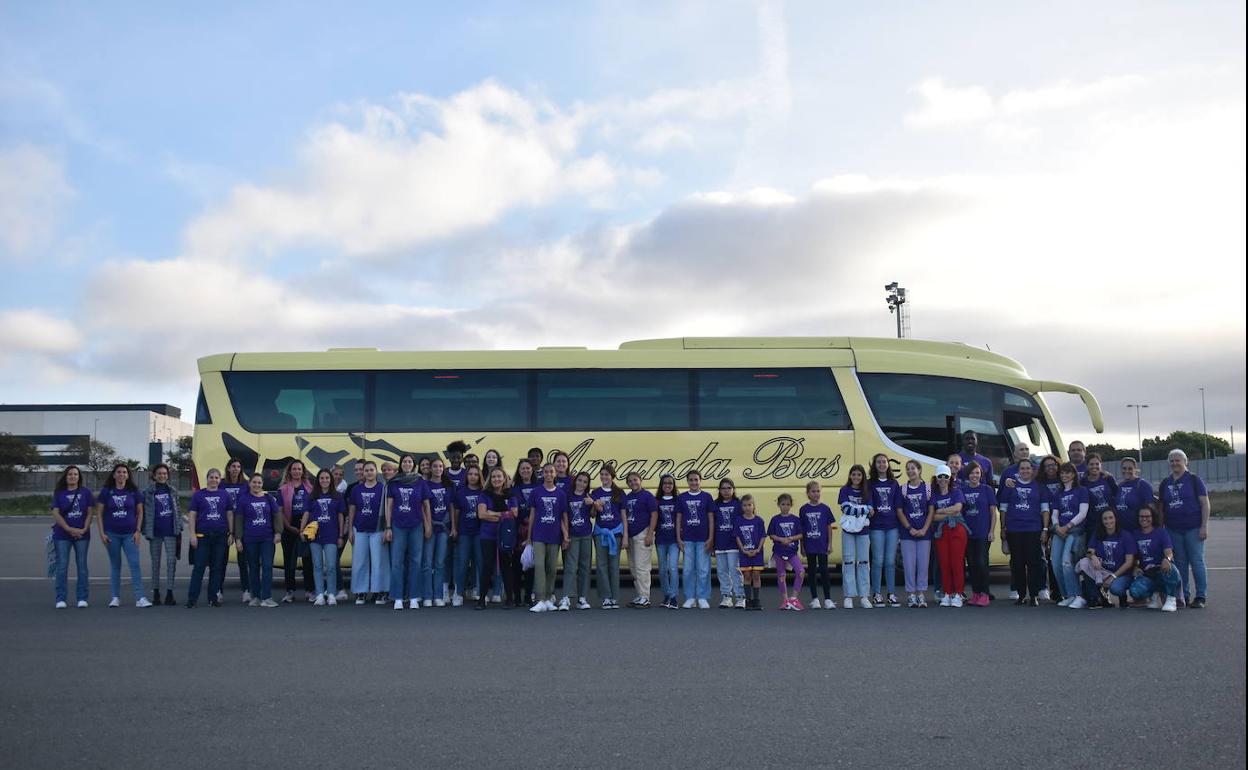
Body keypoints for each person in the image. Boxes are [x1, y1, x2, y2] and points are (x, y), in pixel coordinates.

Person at [1158, 449, 1210, 608]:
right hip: (1173, 529)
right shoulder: (1165, 483)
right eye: (1172, 460)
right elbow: (1161, 508)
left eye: (1178, 460)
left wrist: (1204, 526)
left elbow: (1205, 504)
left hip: (1193, 528)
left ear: (1185, 462)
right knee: (1180, 564)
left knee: (1197, 562)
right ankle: (1183, 596)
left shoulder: (1194, 480)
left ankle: (1201, 596)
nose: (1174, 463)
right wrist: (1161, 529)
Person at [95, 463, 150, 608]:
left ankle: (140, 598)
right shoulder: (107, 492)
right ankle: (115, 597)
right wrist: (102, 533)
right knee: (115, 565)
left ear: (128, 475)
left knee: (134, 564)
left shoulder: (134, 492)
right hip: (111, 534)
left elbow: (140, 512)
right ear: (114, 475)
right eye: (118, 472)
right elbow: (99, 513)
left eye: (124, 472)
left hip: (130, 534)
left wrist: (138, 531)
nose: (121, 474)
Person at [998, 458, 1051, 606]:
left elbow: (1045, 509)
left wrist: (1045, 529)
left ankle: (1033, 595)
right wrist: (1003, 528)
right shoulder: (1010, 485)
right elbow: (1003, 508)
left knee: (1033, 563)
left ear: (1032, 470)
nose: (1025, 471)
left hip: (1033, 530)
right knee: (1017, 564)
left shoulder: (1039, 485)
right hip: (1014, 530)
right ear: (1018, 470)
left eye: (1028, 468)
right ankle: (1021, 594)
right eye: (1022, 468)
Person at [385, 454, 431, 610]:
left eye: (410, 461)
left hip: (416, 526)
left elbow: (426, 506)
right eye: (404, 461)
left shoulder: (420, 482)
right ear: (401, 464)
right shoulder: (394, 482)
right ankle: (397, 597)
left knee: (415, 562)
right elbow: (389, 507)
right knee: (397, 562)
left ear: (414, 464)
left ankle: (413, 597)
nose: (407, 464)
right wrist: (388, 527)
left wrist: (428, 526)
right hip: (398, 526)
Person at [185, 468, 232, 609]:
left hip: (220, 536)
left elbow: (229, 514)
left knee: (216, 568)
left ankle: (213, 598)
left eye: (217, 477)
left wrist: (232, 533)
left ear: (220, 480)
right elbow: (192, 515)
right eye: (211, 477)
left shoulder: (225, 495)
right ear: (207, 479)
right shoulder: (199, 495)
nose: (214, 480)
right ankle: (192, 599)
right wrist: (192, 534)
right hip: (203, 536)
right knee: (199, 567)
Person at [1072, 509, 1135, 610]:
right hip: (1103, 571)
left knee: (1116, 588)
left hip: (1121, 573)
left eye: (1111, 518)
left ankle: (1123, 597)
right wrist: (1093, 557)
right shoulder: (1098, 533)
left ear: (1116, 519)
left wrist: (1113, 576)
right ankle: (1096, 597)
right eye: (1105, 519)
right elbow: (1089, 551)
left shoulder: (1126, 536)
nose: (1108, 521)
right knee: (1084, 563)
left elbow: (1129, 562)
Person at [50, 465, 94, 609]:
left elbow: (89, 513)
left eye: (75, 474)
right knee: (62, 566)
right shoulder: (59, 493)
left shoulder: (86, 492)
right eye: (70, 474)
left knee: (82, 566)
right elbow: (56, 513)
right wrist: (68, 529)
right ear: (66, 476)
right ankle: (60, 598)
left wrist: (84, 529)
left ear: (79, 477)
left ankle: (82, 597)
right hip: (62, 535)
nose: (73, 476)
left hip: (82, 535)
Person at [528, 463, 569, 612]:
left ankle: (548, 597)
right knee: (539, 566)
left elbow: (564, 516)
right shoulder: (536, 492)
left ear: (555, 474)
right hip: (539, 534)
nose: (549, 474)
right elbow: (532, 514)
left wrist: (566, 535)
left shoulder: (561, 494)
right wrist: (529, 536)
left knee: (551, 568)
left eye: (551, 472)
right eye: (546, 472)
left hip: (555, 535)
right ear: (542, 474)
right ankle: (540, 599)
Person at [140, 463, 182, 607]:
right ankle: (156, 592)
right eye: (159, 473)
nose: (162, 476)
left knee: (171, 562)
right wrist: (144, 529)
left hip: (171, 531)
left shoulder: (173, 491)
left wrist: (179, 527)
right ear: (154, 475)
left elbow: (178, 510)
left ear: (168, 475)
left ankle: (170, 592)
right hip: (155, 532)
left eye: (164, 473)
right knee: (155, 563)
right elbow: (143, 512)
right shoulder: (148, 492)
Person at [238, 473, 282, 607]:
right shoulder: (243, 500)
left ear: (262, 485)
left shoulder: (269, 498)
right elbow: (239, 520)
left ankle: (267, 597)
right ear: (250, 484)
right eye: (254, 482)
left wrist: (278, 532)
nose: (257, 485)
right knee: (253, 567)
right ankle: (255, 596)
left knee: (267, 566)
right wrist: (238, 539)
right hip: (250, 538)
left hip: (267, 538)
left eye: (259, 483)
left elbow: (277, 515)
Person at [1050, 462, 1089, 607]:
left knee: (1067, 562)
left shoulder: (1081, 491)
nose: (1064, 475)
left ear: (1073, 474)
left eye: (1068, 472)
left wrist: (1068, 526)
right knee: (1055, 564)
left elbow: (1083, 513)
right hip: (1059, 531)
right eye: (1062, 473)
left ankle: (1078, 595)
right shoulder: (1058, 494)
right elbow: (1055, 514)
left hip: (1075, 531)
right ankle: (1067, 594)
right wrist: (1057, 527)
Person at [302, 469, 344, 605]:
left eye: (327, 478)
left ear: (331, 480)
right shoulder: (312, 496)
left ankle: (331, 593)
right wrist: (302, 530)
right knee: (317, 566)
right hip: (315, 535)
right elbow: (306, 514)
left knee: (331, 566)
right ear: (318, 480)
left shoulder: (337, 496)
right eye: (322, 478)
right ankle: (320, 594)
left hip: (331, 535)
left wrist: (341, 535)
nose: (324, 480)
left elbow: (341, 516)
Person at [348, 461, 387, 605]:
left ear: (376, 472)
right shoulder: (356, 490)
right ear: (363, 473)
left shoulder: (382, 489)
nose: (369, 473)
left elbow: (387, 510)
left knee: (379, 562)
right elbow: (352, 509)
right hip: (360, 529)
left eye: (371, 470)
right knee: (360, 562)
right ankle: (361, 592)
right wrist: (350, 529)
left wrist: (387, 528)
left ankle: (380, 592)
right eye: (366, 470)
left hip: (378, 530)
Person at [1128, 506, 1180, 612]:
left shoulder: (1161, 532)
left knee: (1170, 569)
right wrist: (1135, 567)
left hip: (1161, 569)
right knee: (1135, 591)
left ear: (1153, 517)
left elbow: (1169, 552)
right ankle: (1154, 596)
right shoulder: (1135, 534)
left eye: (1147, 516)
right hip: (1147, 572)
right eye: (1141, 516)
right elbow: (1135, 556)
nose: (1144, 519)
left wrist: (1167, 559)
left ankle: (1171, 599)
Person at [929, 464, 967, 607]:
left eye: (946, 476)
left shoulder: (956, 491)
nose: (943, 479)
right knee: (944, 563)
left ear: (950, 478)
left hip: (957, 530)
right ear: (936, 478)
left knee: (956, 563)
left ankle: (958, 593)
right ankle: (947, 593)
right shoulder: (934, 494)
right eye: (940, 476)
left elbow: (958, 509)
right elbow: (932, 516)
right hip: (940, 532)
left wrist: (941, 511)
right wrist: (947, 513)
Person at [960, 463, 998, 606]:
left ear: (981, 474)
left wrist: (991, 531)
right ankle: (975, 593)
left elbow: (993, 512)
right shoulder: (963, 490)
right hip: (968, 533)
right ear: (967, 475)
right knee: (972, 564)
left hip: (983, 533)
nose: (974, 476)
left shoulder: (987, 489)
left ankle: (985, 593)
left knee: (982, 563)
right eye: (971, 473)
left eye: (977, 473)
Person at [590, 466, 628, 609]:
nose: (604, 477)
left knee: (614, 566)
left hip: (616, 533)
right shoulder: (596, 492)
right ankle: (605, 597)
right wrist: (595, 505)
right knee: (601, 566)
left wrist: (625, 536)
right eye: (602, 474)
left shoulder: (619, 492)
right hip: (600, 532)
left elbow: (623, 515)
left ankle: (614, 597)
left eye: (607, 474)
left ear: (612, 476)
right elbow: (593, 514)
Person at [867, 453, 902, 607]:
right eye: (879, 462)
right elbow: (869, 502)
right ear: (874, 465)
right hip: (876, 527)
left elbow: (898, 505)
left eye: (884, 462)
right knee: (877, 561)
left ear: (888, 464)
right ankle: (876, 593)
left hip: (892, 526)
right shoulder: (870, 484)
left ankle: (891, 593)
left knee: (890, 561)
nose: (882, 464)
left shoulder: (894, 483)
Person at [896, 460, 932, 608]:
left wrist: (924, 528)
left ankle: (921, 594)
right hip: (907, 533)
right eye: (908, 469)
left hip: (925, 533)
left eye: (913, 468)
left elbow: (931, 511)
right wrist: (909, 527)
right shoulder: (903, 489)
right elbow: (899, 511)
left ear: (919, 470)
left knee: (923, 565)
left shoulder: (927, 488)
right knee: (909, 565)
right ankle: (911, 595)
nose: (910, 471)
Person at [277, 460, 314, 603]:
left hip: (306, 527)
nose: (297, 471)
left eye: (299, 469)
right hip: (289, 527)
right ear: (290, 471)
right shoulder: (283, 489)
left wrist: (304, 528)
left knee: (307, 560)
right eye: (294, 469)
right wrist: (288, 527)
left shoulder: (310, 488)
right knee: (289, 561)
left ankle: (309, 590)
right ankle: (289, 591)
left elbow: (311, 509)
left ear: (303, 471)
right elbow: (279, 511)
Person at [677, 470, 714, 609]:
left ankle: (703, 597)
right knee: (687, 570)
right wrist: (678, 537)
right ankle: (690, 597)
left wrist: (711, 537)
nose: (694, 482)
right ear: (687, 481)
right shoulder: (682, 498)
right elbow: (679, 518)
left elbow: (711, 518)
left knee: (703, 569)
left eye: (696, 479)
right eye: (691, 480)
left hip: (703, 539)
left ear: (700, 481)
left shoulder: (707, 497)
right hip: (687, 538)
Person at [559, 471, 595, 611]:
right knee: (570, 567)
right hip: (573, 535)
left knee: (585, 567)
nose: (581, 483)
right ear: (575, 481)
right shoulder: (567, 496)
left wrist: (592, 504)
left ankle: (582, 598)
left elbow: (592, 514)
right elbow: (563, 516)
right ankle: (566, 597)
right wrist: (566, 535)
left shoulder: (588, 496)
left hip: (586, 534)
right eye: (579, 480)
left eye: (585, 482)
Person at [475, 468, 510, 610]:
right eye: (494, 476)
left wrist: (493, 513)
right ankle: (482, 599)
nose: (496, 479)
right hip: (487, 535)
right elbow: (482, 515)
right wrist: (503, 516)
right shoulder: (484, 495)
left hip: (505, 536)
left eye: (499, 476)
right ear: (490, 479)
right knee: (487, 566)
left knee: (506, 566)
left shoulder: (510, 494)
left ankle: (510, 599)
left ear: (504, 478)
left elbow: (513, 514)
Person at [450, 466, 485, 606]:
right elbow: (456, 512)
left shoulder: (484, 492)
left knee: (480, 563)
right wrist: (454, 528)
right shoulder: (460, 492)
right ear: (466, 476)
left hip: (480, 532)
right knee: (462, 563)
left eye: (476, 474)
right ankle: (458, 593)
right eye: (470, 474)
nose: (473, 476)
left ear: (479, 476)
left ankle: (480, 592)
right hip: (464, 532)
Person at [838, 466, 873, 608]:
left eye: (859, 474)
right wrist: (864, 509)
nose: (856, 477)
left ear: (863, 476)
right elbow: (845, 508)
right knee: (848, 562)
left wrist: (856, 509)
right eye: (854, 474)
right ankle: (849, 596)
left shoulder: (867, 491)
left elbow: (872, 512)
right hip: (848, 530)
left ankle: (864, 595)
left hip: (863, 531)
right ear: (850, 475)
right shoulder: (844, 490)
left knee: (864, 562)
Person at [624, 472, 658, 608]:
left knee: (642, 567)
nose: (633, 483)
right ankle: (639, 595)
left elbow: (654, 514)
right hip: (631, 535)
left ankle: (645, 597)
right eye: (630, 481)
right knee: (633, 567)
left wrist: (650, 533)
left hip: (643, 533)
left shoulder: (647, 496)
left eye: (635, 480)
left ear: (641, 480)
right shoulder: (628, 497)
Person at [800, 481, 835, 610]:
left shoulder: (825, 508)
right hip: (810, 545)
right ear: (808, 493)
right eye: (813, 491)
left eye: (818, 491)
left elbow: (829, 527)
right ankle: (815, 599)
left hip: (822, 545)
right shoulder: (804, 509)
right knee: (812, 571)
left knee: (824, 571)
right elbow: (802, 529)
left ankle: (828, 599)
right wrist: (802, 546)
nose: (816, 493)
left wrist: (830, 544)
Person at [424, 458, 454, 606]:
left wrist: (454, 527)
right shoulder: (425, 485)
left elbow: (452, 508)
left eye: (440, 466)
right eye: (434, 466)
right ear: (430, 469)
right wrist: (427, 526)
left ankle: (438, 596)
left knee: (440, 563)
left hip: (444, 528)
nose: (437, 468)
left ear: (443, 468)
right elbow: (423, 507)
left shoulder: (448, 485)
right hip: (431, 527)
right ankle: (427, 596)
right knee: (428, 563)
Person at [711, 478, 744, 608]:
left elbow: (745, 522)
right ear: (719, 490)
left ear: (733, 489)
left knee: (734, 570)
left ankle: (741, 597)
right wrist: (712, 543)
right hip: (720, 542)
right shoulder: (715, 505)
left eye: (729, 488)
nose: (726, 491)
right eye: (723, 488)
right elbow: (712, 525)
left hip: (734, 544)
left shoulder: (738, 504)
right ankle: (726, 596)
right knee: (722, 571)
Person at [222, 458, 252, 603]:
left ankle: (246, 590)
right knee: (221, 560)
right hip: (224, 524)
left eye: (238, 466)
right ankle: (217, 590)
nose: (235, 469)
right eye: (233, 466)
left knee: (243, 560)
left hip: (241, 524)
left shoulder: (245, 485)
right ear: (228, 468)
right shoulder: (221, 484)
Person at [511, 459, 540, 606]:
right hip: (518, 531)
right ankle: (517, 596)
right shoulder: (514, 488)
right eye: (522, 468)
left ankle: (529, 596)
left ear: (532, 470)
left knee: (530, 565)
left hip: (535, 531)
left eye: (528, 468)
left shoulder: (538, 487)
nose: (525, 471)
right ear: (519, 471)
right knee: (517, 565)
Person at [769, 493, 805, 610]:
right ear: (779, 505)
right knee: (781, 575)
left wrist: (791, 538)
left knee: (800, 571)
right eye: (783, 504)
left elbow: (800, 534)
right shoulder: (775, 519)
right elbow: (771, 534)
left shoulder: (795, 519)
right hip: (779, 551)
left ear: (791, 505)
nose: (785, 507)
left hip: (792, 552)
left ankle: (794, 599)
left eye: (788, 504)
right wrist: (780, 539)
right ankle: (785, 600)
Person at [1035, 455, 1063, 602]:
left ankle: (1059, 590)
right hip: (1043, 523)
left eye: (1053, 465)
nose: (1051, 468)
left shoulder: (1064, 480)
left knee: (1056, 558)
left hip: (1060, 523)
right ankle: (1045, 588)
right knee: (1043, 558)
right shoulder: (1039, 482)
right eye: (1047, 466)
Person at [653, 474, 681, 610]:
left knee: (673, 568)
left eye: (670, 483)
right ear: (661, 485)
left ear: (673, 485)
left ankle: (674, 597)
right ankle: (666, 595)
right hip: (661, 539)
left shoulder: (678, 500)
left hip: (674, 540)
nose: (668, 485)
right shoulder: (656, 500)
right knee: (663, 570)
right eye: (665, 483)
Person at [734, 494, 766, 611]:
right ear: (742, 507)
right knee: (747, 575)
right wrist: (743, 550)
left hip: (757, 553)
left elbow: (763, 536)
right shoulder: (739, 520)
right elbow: (737, 536)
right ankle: (748, 600)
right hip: (744, 553)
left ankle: (756, 600)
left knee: (756, 575)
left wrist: (758, 549)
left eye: (750, 505)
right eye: (745, 505)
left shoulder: (759, 521)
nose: (747, 508)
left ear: (753, 506)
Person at [1114, 457, 1154, 533]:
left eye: (1130, 468)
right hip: (1122, 532)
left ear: (1135, 469)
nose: (1127, 471)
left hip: (1138, 531)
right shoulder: (1120, 486)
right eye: (1124, 468)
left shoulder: (1142, 485)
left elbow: (1151, 510)